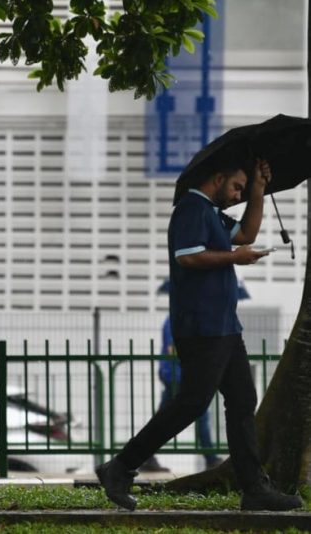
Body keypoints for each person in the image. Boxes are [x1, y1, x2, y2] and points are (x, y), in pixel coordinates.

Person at [96, 156, 303, 512]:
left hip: (225, 326)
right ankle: (121, 466)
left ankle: (253, 488)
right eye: (236, 186)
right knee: (191, 403)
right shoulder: (191, 208)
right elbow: (188, 256)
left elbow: (247, 234)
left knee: (242, 401)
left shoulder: (214, 213)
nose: (236, 194)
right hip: (202, 326)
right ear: (217, 177)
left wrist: (257, 190)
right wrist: (234, 258)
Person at [140, 316, 223, 473]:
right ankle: (211, 458)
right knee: (200, 414)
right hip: (179, 376)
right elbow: (175, 348)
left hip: (176, 374)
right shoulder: (178, 319)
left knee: (163, 417)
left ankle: (144, 455)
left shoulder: (179, 318)